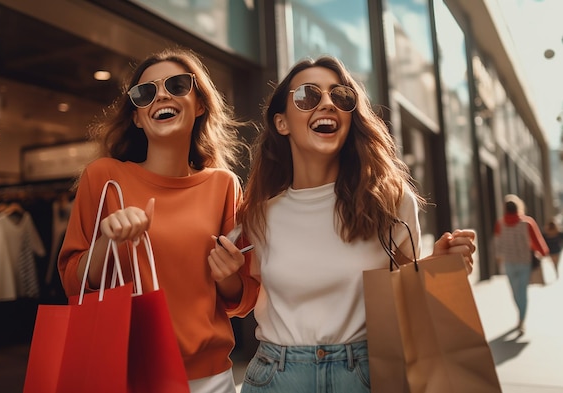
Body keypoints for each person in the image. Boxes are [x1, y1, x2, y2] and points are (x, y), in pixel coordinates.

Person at [236, 55, 477, 392]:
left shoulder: (390, 201)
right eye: (308, 96)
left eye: (340, 97)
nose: (327, 104)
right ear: (282, 123)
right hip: (277, 376)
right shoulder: (258, 215)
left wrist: (438, 267)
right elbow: (242, 297)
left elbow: (404, 291)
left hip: (366, 374)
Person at [58, 47, 259, 393]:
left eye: (178, 85)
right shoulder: (104, 178)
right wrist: (108, 241)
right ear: (136, 117)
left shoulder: (223, 185)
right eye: (145, 92)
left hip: (208, 380)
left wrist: (227, 276)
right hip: (123, 374)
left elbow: (241, 299)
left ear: (200, 105)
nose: (161, 95)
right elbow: (73, 283)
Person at [494, 194, 549, 334]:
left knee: (515, 291)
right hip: (524, 262)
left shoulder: (500, 224)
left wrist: (499, 257)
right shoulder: (527, 222)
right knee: (522, 291)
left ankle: (520, 316)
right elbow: (537, 241)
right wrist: (543, 252)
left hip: (509, 262)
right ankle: (521, 319)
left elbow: (497, 243)